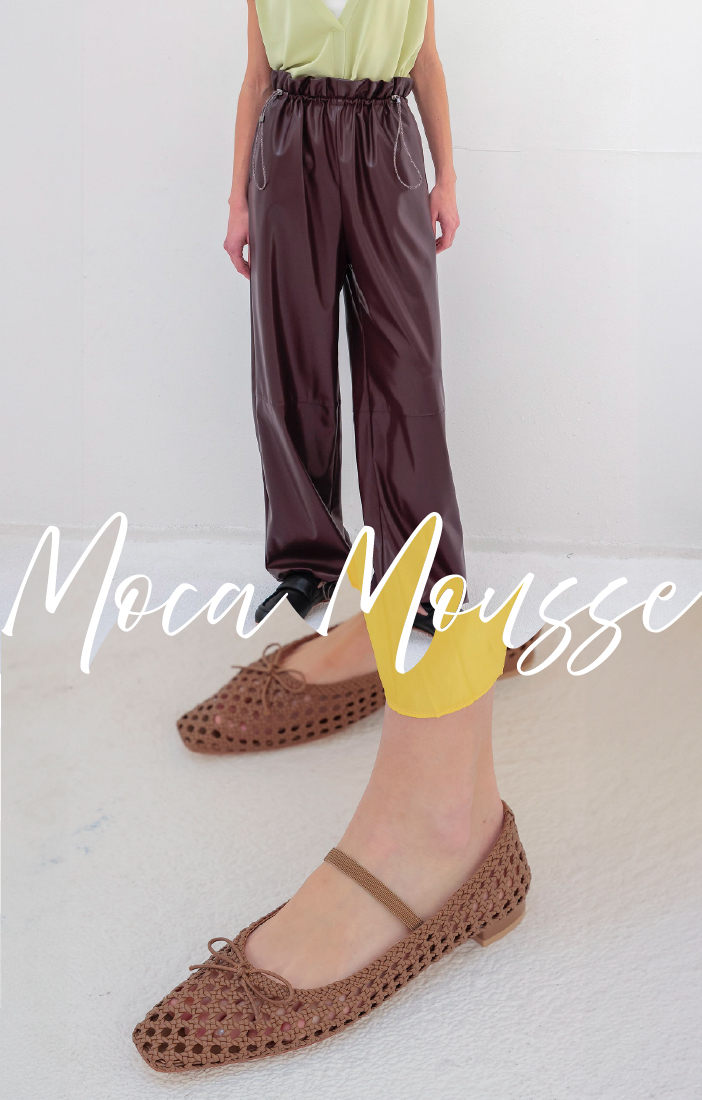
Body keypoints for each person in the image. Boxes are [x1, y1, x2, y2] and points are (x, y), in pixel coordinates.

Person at [132, 0, 531, 1072]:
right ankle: (322, 582)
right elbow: (256, 74)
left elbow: (427, 55)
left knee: (406, 382)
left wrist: (447, 172)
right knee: (292, 365)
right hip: (292, 138)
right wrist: (236, 193)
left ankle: (423, 609)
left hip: (382, 133)